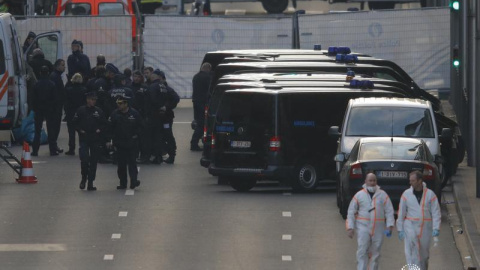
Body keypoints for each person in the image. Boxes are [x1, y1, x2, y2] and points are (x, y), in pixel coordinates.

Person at [346, 173, 395, 270]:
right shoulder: (359, 195)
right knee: (362, 250)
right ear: (365, 181)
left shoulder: (383, 195)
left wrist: (390, 225)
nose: (372, 183)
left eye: (374, 180)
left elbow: (389, 210)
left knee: (376, 252)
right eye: (370, 180)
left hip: (378, 228)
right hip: (363, 227)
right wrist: (350, 228)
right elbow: (351, 211)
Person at [397, 170, 441, 270]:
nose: (410, 183)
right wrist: (400, 229)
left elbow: (436, 212)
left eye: (413, 180)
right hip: (410, 225)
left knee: (423, 254)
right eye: (410, 180)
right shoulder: (406, 194)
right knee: (412, 250)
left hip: (425, 227)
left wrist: (436, 228)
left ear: (420, 181)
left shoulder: (430, 195)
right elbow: (401, 213)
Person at [73, 92, 107, 191]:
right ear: (87, 100)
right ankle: (84, 178)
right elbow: (74, 122)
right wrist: (80, 130)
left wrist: (100, 129)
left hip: (95, 138)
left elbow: (104, 123)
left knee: (93, 161)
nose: (93, 102)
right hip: (84, 138)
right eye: (92, 99)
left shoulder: (98, 111)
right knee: (84, 160)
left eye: (95, 100)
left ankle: (91, 182)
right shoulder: (81, 110)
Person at [108, 96, 142, 190]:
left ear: (126, 104)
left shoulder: (134, 113)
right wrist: (109, 140)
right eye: (117, 103)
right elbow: (110, 128)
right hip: (119, 143)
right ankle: (123, 183)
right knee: (121, 165)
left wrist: (137, 136)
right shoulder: (114, 114)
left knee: (132, 163)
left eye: (120, 103)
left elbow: (140, 126)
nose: (118, 105)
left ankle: (134, 181)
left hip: (132, 142)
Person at [31, 66, 56, 156]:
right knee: (51, 129)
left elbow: (33, 98)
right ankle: (53, 150)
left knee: (37, 131)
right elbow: (54, 98)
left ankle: (35, 150)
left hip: (38, 109)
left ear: (41, 73)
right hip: (49, 109)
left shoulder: (36, 84)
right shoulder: (52, 84)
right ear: (48, 73)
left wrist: (34, 108)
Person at [190, 62, 211, 151]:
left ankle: (194, 143)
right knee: (202, 124)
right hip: (203, 103)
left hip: (196, 102)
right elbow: (209, 90)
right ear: (208, 69)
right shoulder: (207, 77)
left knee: (199, 122)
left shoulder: (196, 76)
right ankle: (194, 144)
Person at [65, 73, 87, 155]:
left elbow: (66, 102)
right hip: (81, 112)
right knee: (81, 131)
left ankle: (71, 148)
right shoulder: (84, 90)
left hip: (71, 112)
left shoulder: (68, 89)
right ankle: (82, 147)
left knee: (71, 131)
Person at [49, 59, 67, 155]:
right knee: (54, 127)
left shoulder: (55, 76)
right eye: (63, 65)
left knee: (55, 127)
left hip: (56, 106)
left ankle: (54, 145)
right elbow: (57, 92)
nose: (64, 67)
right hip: (55, 106)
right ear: (57, 66)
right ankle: (53, 146)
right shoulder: (55, 77)